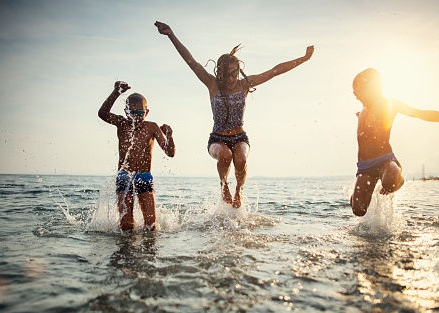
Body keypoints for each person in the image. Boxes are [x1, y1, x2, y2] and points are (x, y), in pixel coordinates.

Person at [155, 21, 314, 208]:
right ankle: (224, 184)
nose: (230, 79)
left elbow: (274, 71)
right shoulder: (212, 84)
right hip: (217, 138)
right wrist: (171, 34)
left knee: (240, 159)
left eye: (234, 73)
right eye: (225, 74)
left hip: (240, 137)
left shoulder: (245, 84)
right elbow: (191, 61)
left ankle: (239, 189)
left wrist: (303, 59)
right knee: (225, 156)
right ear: (218, 73)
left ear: (239, 72)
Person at [350, 68, 439, 216]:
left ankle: (396, 178)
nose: (357, 97)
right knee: (358, 210)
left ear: (374, 87)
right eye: (355, 93)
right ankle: (362, 191)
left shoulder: (390, 104)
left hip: (384, 159)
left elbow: (424, 115)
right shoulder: (363, 109)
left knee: (389, 183)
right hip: (364, 166)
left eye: (359, 92)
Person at [98, 81, 175, 232]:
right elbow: (102, 114)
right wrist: (116, 93)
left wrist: (170, 137)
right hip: (124, 176)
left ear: (146, 112)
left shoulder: (151, 127)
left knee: (151, 226)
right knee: (126, 225)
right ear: (126, 111)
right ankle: (127, 252)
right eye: (132, 112)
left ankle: (148, 253)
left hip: (144, 176)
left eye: (140, 113)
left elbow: (170, 153)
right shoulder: (121, 123)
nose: (136, 117)